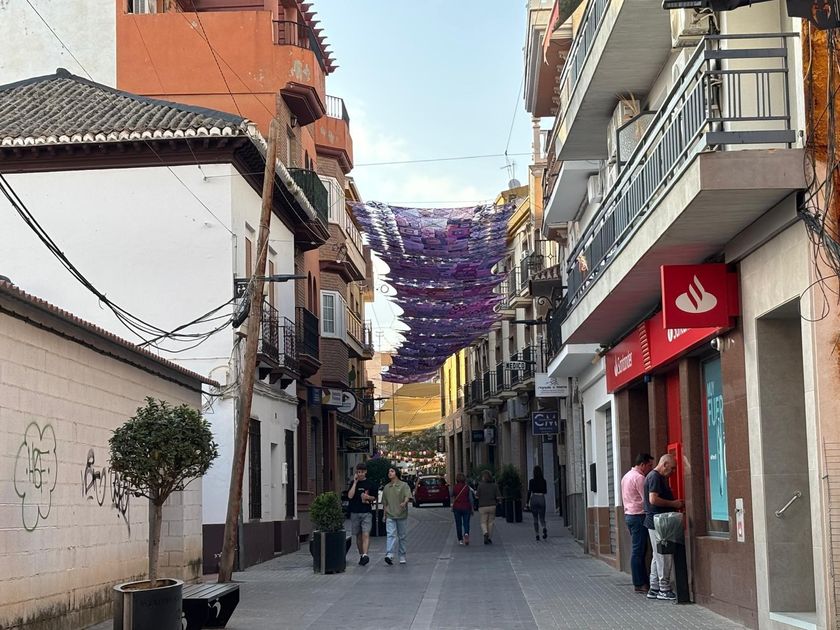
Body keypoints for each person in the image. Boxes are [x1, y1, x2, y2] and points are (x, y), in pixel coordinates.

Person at [644, 454, 685, 601]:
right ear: (664, 464)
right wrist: (674, 504)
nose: (673, 472)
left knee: (657, 556)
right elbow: (653, 499)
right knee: (663, 556)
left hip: (655, 522)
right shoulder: (655, 477)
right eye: (672, 468)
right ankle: (664, 588)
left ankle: (654, 587)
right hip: (659, 523)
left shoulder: (655, 476)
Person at [621, 453, 655, 592]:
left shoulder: (626, 476)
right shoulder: (639, 478)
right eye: (649, 465)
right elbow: (647, 499)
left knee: (638, 550)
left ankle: (641, 581)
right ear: (642, 464)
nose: (650, 468)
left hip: (629, 515)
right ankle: (640, 583)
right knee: (639, 551)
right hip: (638, 516)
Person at [346, 462, 377, 566]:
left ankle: (365, 555)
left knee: (366, 533)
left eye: (362, 472)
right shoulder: (353, 483)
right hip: (355, 512)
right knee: (358, 536)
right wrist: (355, 483)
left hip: (366, 512)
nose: (360, 474)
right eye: (358, 472)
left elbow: (374, 498)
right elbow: (350, 496)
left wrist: (368, 497)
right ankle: (361, 555)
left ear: (365, 472)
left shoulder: (370, 484)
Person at [381, 467, 412, 565]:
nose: (389, 473)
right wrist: (384, 515)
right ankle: (389, 554)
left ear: (396, 473)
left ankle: (402, 555)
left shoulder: (404, 485)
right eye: (388, 471)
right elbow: (385, 503)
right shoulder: (386, 487)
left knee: (402, 536)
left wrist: (404, 502)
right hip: (390, 515)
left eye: (392, 471)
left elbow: (407, 496)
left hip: (401, 514)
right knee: (390, 535)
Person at [475, 470, 502, 545]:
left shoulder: (480, 486)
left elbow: (477, 496)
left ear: (483, 477)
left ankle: (485, 532)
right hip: (492, 506)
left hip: (482, 506)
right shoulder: (494, 486)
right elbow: (498, 497)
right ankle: (489, 538)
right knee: (490, 522)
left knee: (483, 522)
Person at [451, 472, 473, 545]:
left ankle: (460, 539)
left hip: (457, 507)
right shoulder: (467, 487)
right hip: (466, 507)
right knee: (466, 522)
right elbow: (470, 499)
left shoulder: (455, 487)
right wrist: (472, 507)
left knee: (458, 524)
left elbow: (451, 495)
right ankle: (466, 533)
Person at [527, 466, 548, 541]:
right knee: (542, 517)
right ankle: (544, 527)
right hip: (541, 498)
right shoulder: (544, 481)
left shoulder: (531, 481)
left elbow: (529, 491)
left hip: (534, 498)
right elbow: (545, 491)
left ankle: (537, 535)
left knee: (535, 518)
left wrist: (527, 502)